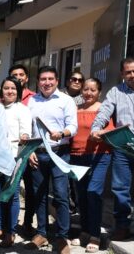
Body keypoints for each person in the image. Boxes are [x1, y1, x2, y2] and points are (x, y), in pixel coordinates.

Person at [25, 66, 77, 254]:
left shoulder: (66, 100)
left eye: (50, 79)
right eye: (43, 79)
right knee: (39, 194)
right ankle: (42, 233)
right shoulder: (32, 101)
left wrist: (62, 133)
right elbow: (28, 128)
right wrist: (29, 150)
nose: (46, 83)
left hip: (59, 152)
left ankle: (62, 237)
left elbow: (73, 126)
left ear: (56, 81)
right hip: (38, 153)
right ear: (38, 82)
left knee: (62, 195)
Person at [91, 57, 134, 241]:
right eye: (128, 72)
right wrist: (95, 128)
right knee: (120, 188)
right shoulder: (116, 92)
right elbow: (104, 112)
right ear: (122, 74)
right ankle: (122, 225)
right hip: (124, 147)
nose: (132, 75)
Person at [69, 78, 113, 253]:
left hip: (99, 156)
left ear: (99, 92)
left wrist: (101, 133)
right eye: (85, 89)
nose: (88, 93)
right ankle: (85, 231)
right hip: (76, 157)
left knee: (93, 193)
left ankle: (95, 234)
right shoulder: (75, 109)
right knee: (82, 195)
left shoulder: (104, 110)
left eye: (92, 90)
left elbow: (111, 130)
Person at [0, 77, 32, 248]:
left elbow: (26, 133)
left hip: (15, 156)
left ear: (18, 91)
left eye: (13, 88)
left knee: (13, 195)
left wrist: (24, 137)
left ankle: (11, 231)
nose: (10, 91)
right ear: (1, 91)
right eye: (6, 88)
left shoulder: (22, 109)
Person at [9, 64, 37, 237]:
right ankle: (7, 226)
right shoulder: (4, 97)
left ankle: (27, 223)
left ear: (26, 78)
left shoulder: (34, 98)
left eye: (21, 75)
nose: (18, 77)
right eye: (14, 75)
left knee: (30, 188)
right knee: (11, 188)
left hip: (30, 151)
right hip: (12, 152)